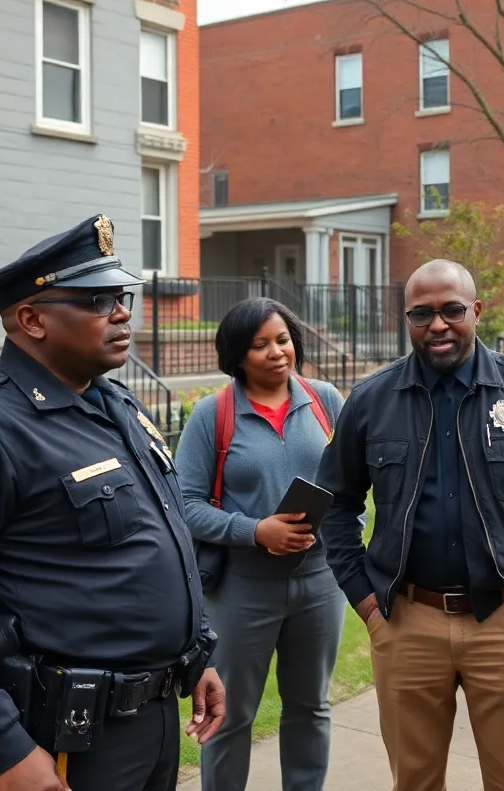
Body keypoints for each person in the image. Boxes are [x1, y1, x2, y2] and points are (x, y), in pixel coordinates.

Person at [0, 215, 225, 791]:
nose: (121, 312)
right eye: (96, 300)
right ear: (32, 319)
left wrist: (198, 655)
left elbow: (158, 543)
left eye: (121, 296)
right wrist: (5, 749)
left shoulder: (116, 407)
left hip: (155, 717)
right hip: (66, 740)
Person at [317, 259, 504, 791]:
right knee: (415, 781)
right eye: (421, 314)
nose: (437, 325)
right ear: (406, 319)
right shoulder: (371, 399)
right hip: (407, 621)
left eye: (452, 310)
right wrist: (363, 597)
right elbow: (335, 503)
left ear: (476, 311)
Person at [173, 296, 345, 791]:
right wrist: (255, 530)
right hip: (242, 589)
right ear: (236, 355)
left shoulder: (325, 400)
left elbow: (351, 481)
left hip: (320, 582)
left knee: (311, 707)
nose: (276, 352)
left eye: (283, 339)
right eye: (260, 345)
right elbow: (184, 505)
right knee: (231, 714)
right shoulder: (213, 414)